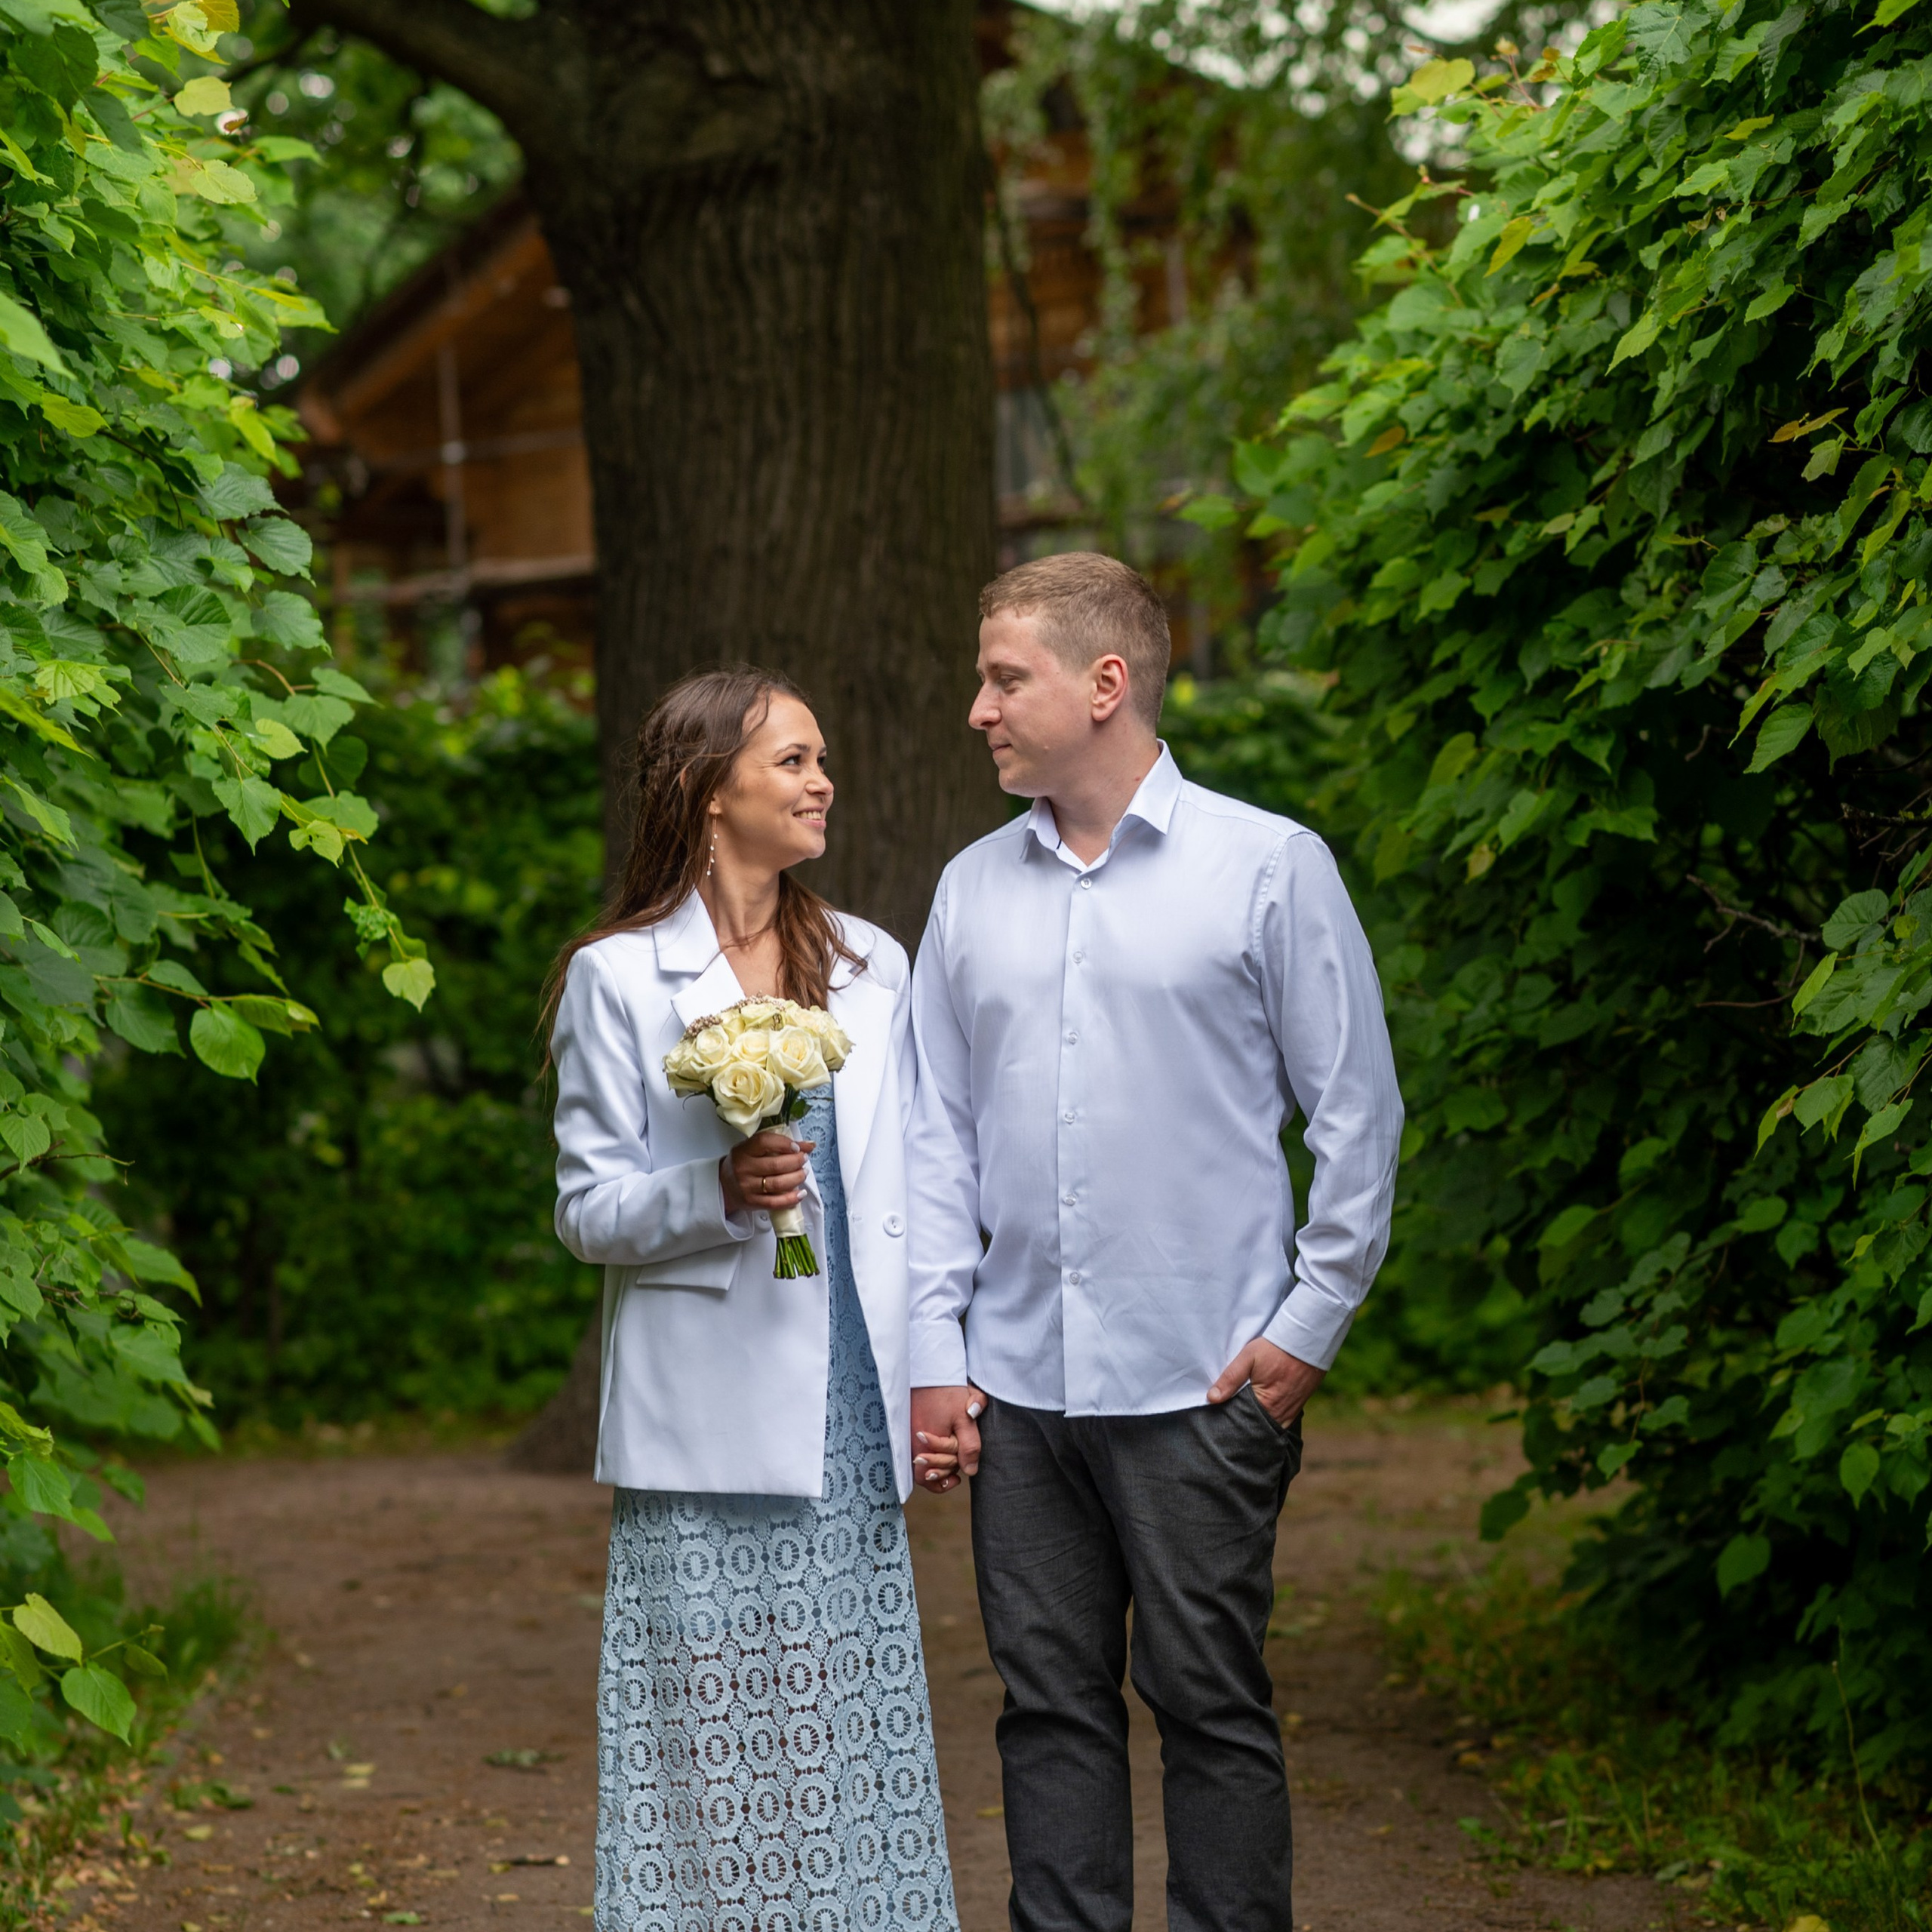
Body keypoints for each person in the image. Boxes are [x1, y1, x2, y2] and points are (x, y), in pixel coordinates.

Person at [906, 553, 1403, 1932]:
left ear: (1104, 683)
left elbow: (1358, 1113)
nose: (979, 709)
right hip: (1017, 1390)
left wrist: (1307, 1330)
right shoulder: (969, 891)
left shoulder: (1267, 867)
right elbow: (937, 1143)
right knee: (1047, 1713)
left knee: (1210, 1707)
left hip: (1204, 1384)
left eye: (1006, 678)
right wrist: (938, 1353)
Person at [549, 666, 961, 1932]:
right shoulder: (617, 979)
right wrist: (716, 1192)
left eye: (821, 758)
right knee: (711, 1741)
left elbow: (925, 1179)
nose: (822, 780)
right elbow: (584, 1210)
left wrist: (940, 1360)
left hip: (851, 1396)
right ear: (706, 790)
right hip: (706, 1419)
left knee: (845, 1726)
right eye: (791, 760)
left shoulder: (871, 963)